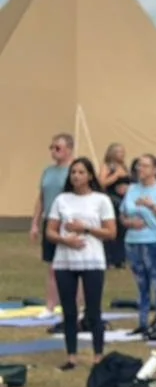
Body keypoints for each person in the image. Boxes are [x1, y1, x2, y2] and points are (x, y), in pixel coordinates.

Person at [45, 156, 116, 370]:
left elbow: (111, 232)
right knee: (69, 311)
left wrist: (85, 229)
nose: (76, 176)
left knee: (93, 310)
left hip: (92, 261)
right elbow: (51, 230)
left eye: (81, 172)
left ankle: (98, 355)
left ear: (90, 176)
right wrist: (64, 239)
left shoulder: (101, 200)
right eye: (73, 172)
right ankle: (71, 356)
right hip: (65, 261)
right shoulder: (62, 200)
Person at [120, 153, 156, 334]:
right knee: (141, 284)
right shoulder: (132, 189)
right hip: (133, 241)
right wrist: (129, 223)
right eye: (138, 165)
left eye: (144, 166)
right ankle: (143, 322)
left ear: (155, 169)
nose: (140, 169)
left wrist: (151, 206)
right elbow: (123, 213)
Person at [31, 133, 74, 316]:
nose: (53, 151)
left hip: (68, 222)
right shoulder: (48, 171)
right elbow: (41, 198)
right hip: (50, 221)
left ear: (69, 150)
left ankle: (75, 306)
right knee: (52, 266)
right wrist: (35, 223)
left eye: (58, 148)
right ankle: (50, 305)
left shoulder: (74, 171)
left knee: (74, 266)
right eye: (52, 148)